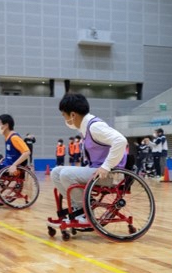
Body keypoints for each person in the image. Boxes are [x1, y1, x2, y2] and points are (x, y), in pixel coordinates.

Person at [49, 93, 127, 224]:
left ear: (73, 115)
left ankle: (84, 211)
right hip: (95, 171)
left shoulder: (94, 126)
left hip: (108, 174)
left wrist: (106, 167)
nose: (64, 118)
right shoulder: (85, 128)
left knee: (66, 174)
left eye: (64, 115)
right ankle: (78, 207)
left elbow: (121, 141)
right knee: (56, 172)